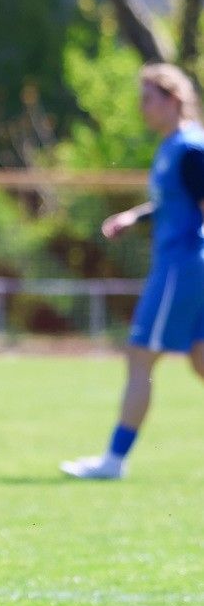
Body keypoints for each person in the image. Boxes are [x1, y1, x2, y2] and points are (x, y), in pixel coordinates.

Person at [64, 63, 204, 480]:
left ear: (173, 99)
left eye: (148, 98)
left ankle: (113, 460)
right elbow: (173, 202)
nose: (142, 108)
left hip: (182, 266)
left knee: (140, 357)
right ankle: (113, 460)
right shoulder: (171, 146)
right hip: (185, 265)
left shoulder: (191, 149)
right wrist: (135, 217)